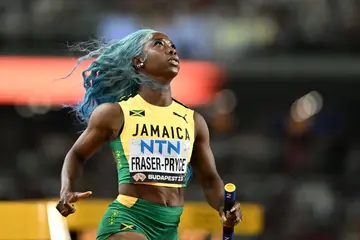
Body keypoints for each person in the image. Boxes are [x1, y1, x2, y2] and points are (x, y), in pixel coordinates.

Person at [56, 29, 242, 240]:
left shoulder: (192, 121)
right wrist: (66, 189)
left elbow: (209, 180)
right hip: (128, 220)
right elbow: (76, 154)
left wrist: (224, 208)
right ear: (138, 62)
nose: (171, 48)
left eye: (172, 45)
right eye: (158, 44)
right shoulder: (115, 113)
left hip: (169, 228)